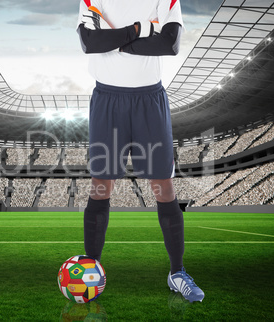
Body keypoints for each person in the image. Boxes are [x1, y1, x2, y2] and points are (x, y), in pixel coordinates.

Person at [77, 0, 204, 303]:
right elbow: (91, 43)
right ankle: (90, 268)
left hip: (149, 99)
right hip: (107, 99)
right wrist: (141, 29)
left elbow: (170, 44)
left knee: (164, 186)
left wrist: (118, 41)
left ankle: (177, 273)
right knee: (100, 186)